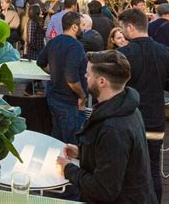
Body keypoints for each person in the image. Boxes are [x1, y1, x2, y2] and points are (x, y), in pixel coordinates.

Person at [57, 50, 157, 204]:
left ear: (102, 81)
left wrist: (67, 169)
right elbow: (114, 158)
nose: (85, 76)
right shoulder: (126, 106)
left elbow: (103, 190)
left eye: (88, 74)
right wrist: (83, 153)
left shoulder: (114, 128)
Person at [118, 8, 169, 202]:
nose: (122, 32)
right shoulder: (167, 53)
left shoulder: (122, 55)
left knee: (125, 169)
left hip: (127, 120)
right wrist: (160, 82)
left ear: (131, 27)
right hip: (155, 121)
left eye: (122, 28)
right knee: (152, 170)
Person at [37, 11, 87, 144]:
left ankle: (57, 162)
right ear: (74, 27)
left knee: (56, 139)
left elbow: (40, 62)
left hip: (54, 96)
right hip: (69, 101)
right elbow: (71, 78)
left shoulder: (53, 42)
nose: (84, 28)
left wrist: (54, 72)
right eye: (82, 25)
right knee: (71, 143)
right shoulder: (76, 46)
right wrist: (82, 95)